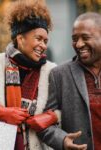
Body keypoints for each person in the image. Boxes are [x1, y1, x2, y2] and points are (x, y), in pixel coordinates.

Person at [0, 0, 60, 150]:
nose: (43, 45)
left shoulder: (52, 71)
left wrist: (52, 117)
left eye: (45, 41)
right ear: (20, 39)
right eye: (38, 39)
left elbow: (65, 110)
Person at [37, 12, 101, 150]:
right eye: (74, 39)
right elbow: (44, 124)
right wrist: (63, 140)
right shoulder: (59, 75)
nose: (78, 44)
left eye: (85, 38)